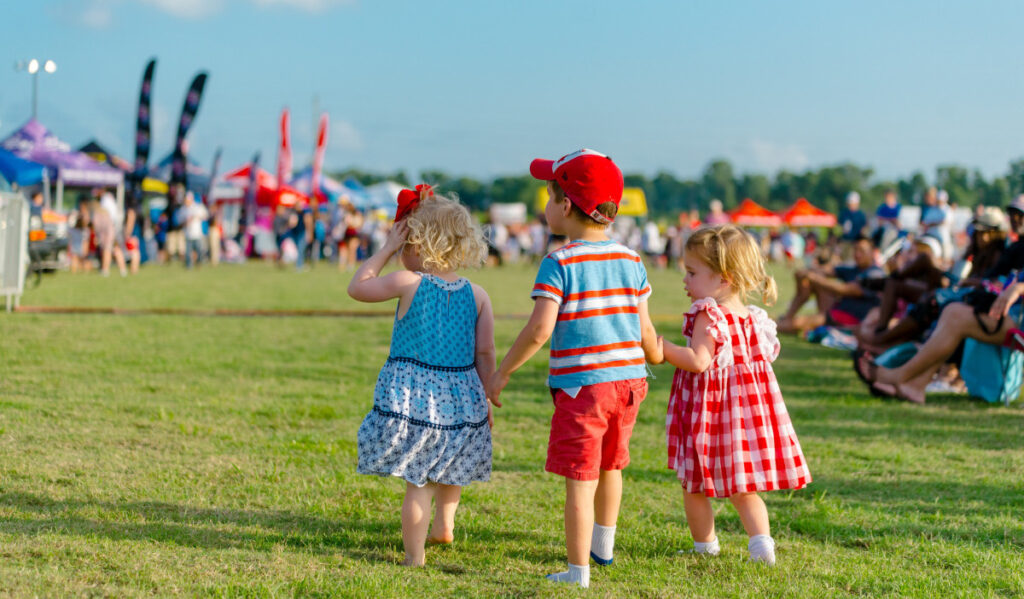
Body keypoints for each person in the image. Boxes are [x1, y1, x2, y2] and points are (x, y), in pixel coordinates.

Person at [486, 149, 660, 589]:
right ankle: (604, 547)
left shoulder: (559, 262)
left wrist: (503, 371)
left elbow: (539, 330)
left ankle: (577, 571)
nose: (544, 206)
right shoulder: (633, 260)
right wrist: (662, 354)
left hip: (584, 387)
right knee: (611, 467)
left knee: (580, 480)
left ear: (565, 206)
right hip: (630, 384)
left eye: (549, 196)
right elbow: (645, 331)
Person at [347, 186, 495, 568]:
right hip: (463, 396)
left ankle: (415, 556)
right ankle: (445, 524)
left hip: (415, 400)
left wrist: (384, 250)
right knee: (452, 466)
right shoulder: (478, 294)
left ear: (418, 243)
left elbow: (357, 287)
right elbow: (485, 353)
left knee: (418, 482)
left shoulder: (407, 282)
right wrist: (486, 395)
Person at [647, 224, 810, 565]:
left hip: (709, 414)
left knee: (694, 483)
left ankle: (705, 546)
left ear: (723, 279)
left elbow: (699, 360)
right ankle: (762, 545)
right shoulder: (751, 318)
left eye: (692, 273)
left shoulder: (709, 314)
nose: (685, 281)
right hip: (743, 418)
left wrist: (663, 349)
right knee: (743, 487)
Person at [777, 237, 884, 334]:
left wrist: (813, 277)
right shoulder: (854, 269)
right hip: (837, 311)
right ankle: (788, 317)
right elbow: (827, 270)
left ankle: (777, 326)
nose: (857, 254)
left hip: (851, 318)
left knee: (801, 321)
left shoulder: (875, 274)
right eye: (855, 250)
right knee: (811, 280)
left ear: (873, 253)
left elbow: (846, 290)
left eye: (862, 251)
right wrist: (805, 272)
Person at [182, 191, 208, 269]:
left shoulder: (198, 207)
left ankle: (199, 263)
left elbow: (205, 215)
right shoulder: (183, 209)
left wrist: (195, 217)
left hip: (197, 233)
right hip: (188, 234)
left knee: (199, 250)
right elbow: (179, 220)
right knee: (188, 252)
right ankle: (189, 266)